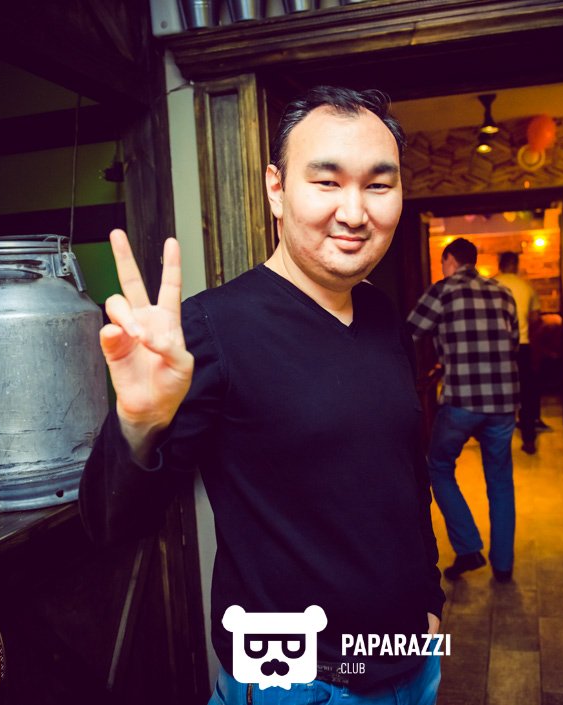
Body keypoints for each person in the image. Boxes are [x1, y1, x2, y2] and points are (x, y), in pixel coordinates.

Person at [78, 86, 445, 705]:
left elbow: (406, 477)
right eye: (326, 182)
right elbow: (112, 525)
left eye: (378, 185)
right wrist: (139, 422)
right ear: (276, 189)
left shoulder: (383, 315)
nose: (355, 212)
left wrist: (429, 606)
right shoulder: (211, 330)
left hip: (411, 663)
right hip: (296, 683)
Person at [406, 238, 520, 583]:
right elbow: (513, 342)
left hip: (461, 402)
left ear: (449, 260)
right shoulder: (503, 293)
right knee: (500, 481)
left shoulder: (443, 291)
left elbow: (408, 334)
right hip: (503, 403)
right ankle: (503, 566)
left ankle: (468, 547)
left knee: (438, 467)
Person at [493, 251, 545, 453]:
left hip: (495, 347)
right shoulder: (526, 287)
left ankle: (493, 440)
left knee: (495, 394)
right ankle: (529, 439)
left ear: (500, 264)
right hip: (522, 344)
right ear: (516, 265)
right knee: (526, 393)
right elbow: (535, 318)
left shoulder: (490, 285)